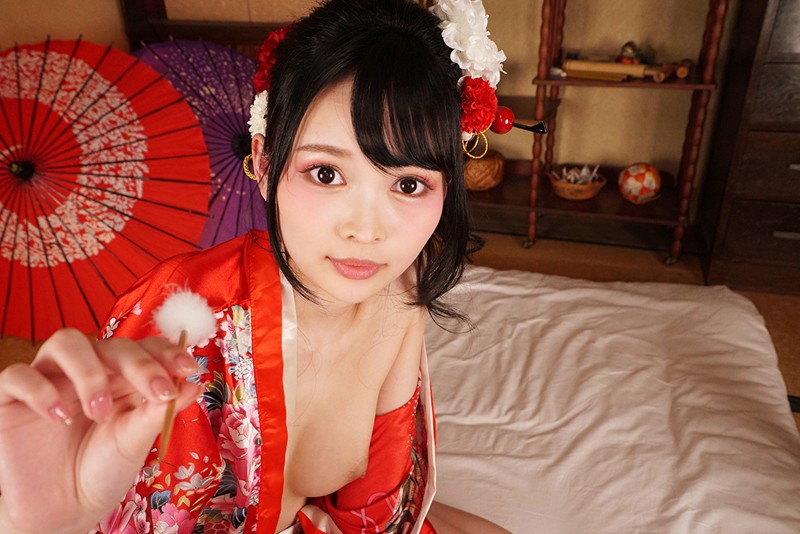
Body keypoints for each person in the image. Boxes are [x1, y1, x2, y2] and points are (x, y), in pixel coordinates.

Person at [0, 0, 513, 532]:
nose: (366, 231)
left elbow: (378, 503)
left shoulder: (403, 284)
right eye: (326, 173)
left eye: (408, 184)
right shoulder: (184, 317)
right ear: (266, 165)